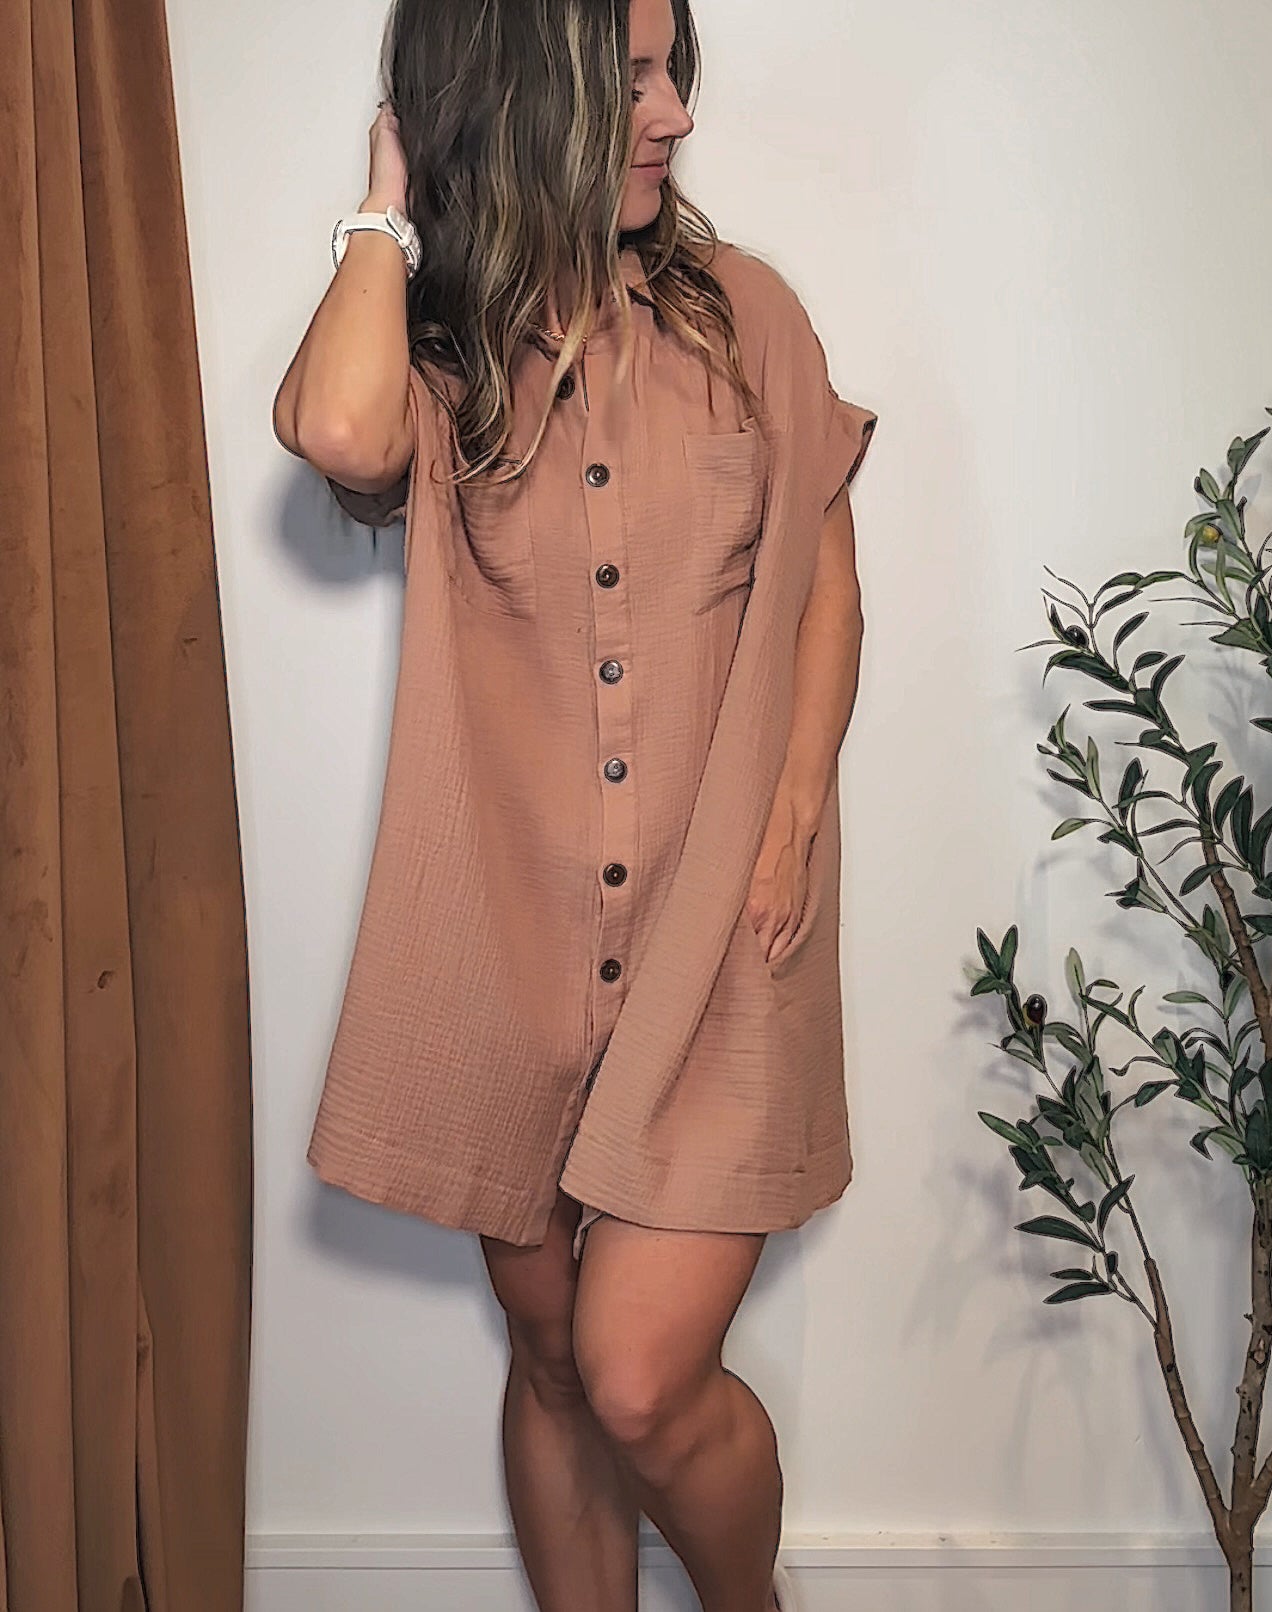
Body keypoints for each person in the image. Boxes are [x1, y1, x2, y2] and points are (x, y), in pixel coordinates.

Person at [272, 0, 877, 1607]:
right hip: (514, 939)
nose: (674, 114)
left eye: (676, 75)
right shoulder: (445, 354)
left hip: (723, 931)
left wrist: (792, 815)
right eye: (632, 81)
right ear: (519, 97)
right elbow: (336, 428)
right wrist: (392, 190)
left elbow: (825, 587)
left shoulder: (747, 318)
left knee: (636, 1378)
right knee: (547, 1358)